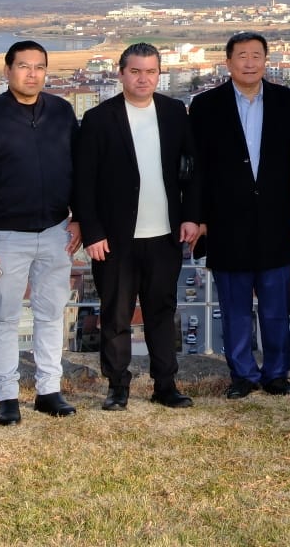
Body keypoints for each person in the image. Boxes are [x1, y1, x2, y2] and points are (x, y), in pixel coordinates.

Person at [73, 43, 202, 411]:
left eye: (150, 72)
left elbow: (193, 170)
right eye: (135, 71)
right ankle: (117, 386)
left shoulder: (175, 112)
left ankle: (166, 385)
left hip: (165, 234)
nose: (143, 79)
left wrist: (191, 215)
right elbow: (83, 182)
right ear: (121, 73)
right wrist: (93, 232)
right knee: (116, 315)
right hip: (115, 239)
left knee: (162, 311)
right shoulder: (99, 119)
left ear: (159, 74)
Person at [0, 40, 80, 425]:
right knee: (4, 316)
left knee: (51, 313)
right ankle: (7, 395)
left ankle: (49, 390)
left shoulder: (62, 112)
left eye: (39, 67)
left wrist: (79, 217)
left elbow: (78, 169)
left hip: (56, 231)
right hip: (4, 237)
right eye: (24, 66)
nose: (32, 74)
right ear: (7, 71)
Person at [188, 31, 290, 398]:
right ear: (228, 63)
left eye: (256, 55)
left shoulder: (285, 100)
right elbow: (196, 168)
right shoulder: (205, 105)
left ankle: (277, 374)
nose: (250, 62)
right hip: (226, 222)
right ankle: (242, 375)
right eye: (242, 56)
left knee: (275, 307)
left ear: (266, 61)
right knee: (234, 307)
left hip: (275, 220)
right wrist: (200, 217)